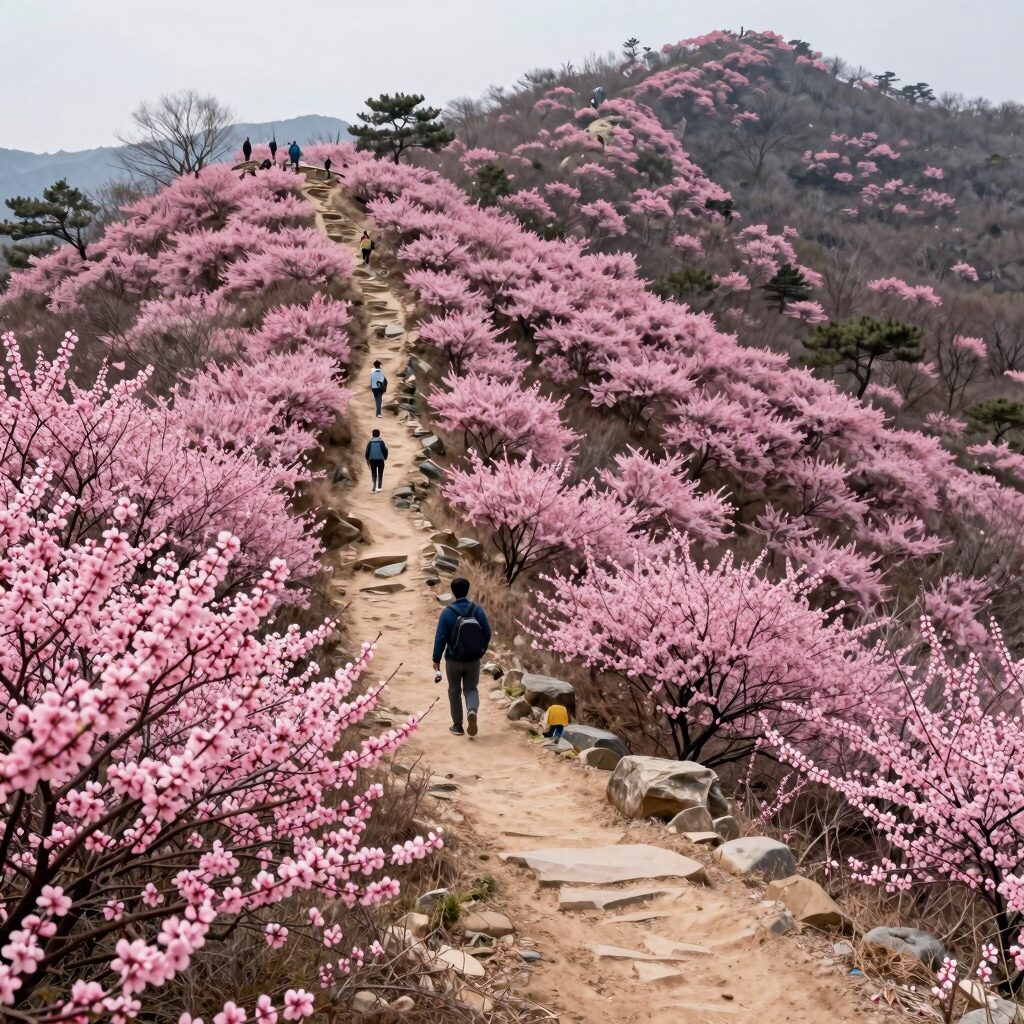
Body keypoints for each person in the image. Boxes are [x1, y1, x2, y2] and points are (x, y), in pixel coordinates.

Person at [432, 578, 492, 736]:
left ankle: (457, 726)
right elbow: (487, 633)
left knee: (454, 691)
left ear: (452, 591)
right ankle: (472, 710)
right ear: (468, 590)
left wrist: (436, 659)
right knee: (471, 688)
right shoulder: (477, 610)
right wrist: (480, 651)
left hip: (453, 659)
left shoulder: (447, 612)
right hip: (473, 659)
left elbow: (441, 638)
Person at [364, 428, 388, 492]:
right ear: (379, 434)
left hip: (372, 460)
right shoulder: (381, 442)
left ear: (372, 435)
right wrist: (385, 457)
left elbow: (367, 452)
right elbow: (385, 450)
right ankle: (379, 487)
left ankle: (374, 484)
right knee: (380, 473)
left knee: (374, 473)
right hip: (380, 460)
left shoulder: (370, 442)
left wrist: (367, 459)